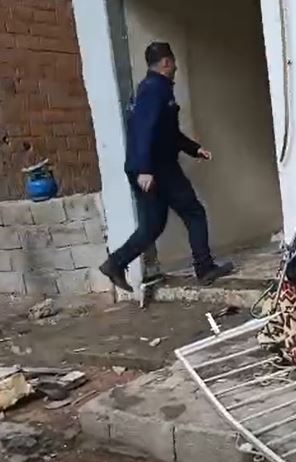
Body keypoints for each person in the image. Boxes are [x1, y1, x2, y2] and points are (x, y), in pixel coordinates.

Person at [99, 41, 234, 292]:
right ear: (166, 62)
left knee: (152, 226)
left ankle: (115, 263)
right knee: (193, 212)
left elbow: (167, 133)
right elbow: (143, 130)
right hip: (158, 168)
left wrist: (194, 149)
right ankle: (205, 268)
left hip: (150, 167)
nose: (176, 68)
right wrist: (145, 169)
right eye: (173, 63)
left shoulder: (150, 89)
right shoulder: (154, 90)